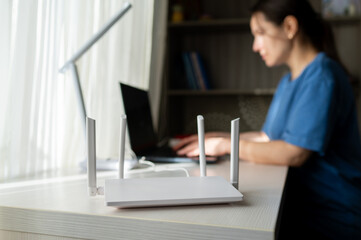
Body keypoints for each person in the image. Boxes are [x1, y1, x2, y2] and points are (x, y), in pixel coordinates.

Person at [173, 0, 361, 239]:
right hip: (307, 206)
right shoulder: (289, 80)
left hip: (333, 214)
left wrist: (226, 145)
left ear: (290, 27)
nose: (255, 46)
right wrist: (216, 137)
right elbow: (268, 136)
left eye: (260, 34)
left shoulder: (322, 76)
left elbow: (294, 153)